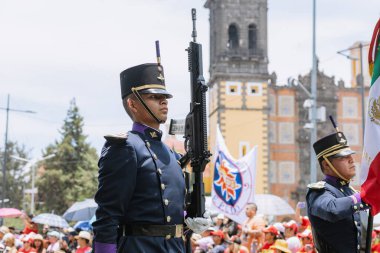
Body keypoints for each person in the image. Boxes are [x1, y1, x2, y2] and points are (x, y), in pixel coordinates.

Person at [92, 60, 186, 253]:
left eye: (165, 97)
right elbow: (107, 215)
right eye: (154, 96)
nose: (164, 101)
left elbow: (164, 212)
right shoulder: (125, 147)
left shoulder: (171, 154)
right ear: (133, 104)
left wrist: (189, 218)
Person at [306, 130, 369, 252]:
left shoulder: (351, 192)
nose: (351, 160)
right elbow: (332, 210)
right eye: (343, 157)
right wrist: (362, 197)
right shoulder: (319, 191)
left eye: (350, 155)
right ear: (326, 165)